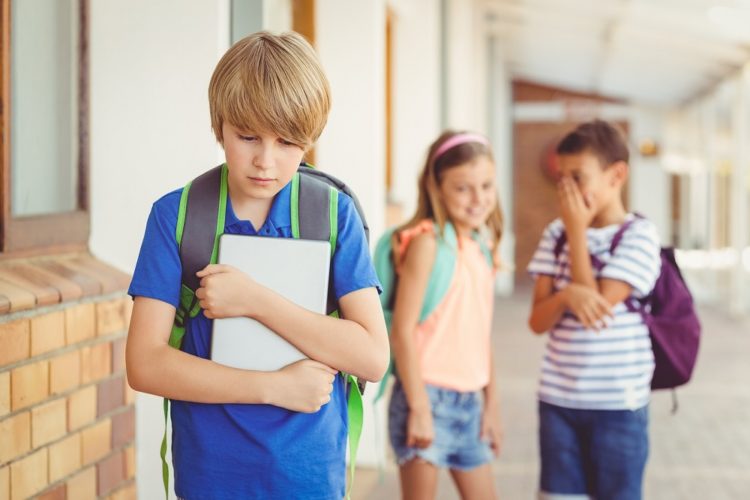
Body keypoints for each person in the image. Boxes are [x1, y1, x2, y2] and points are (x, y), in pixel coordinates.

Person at [125, 31, 389, 499]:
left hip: (309, 473)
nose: (266, 161)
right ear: (218, 125)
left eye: (288, 143)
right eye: (247, 137)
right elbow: (144, 365)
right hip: (211, 475)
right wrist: (272, 388)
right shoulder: (178, 217)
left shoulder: (332, 214)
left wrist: (255, 300)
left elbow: (371, 356)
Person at [527, 120, 662, 500]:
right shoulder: (555, 235)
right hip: (559, 402)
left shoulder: (639, 235)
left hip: (619, 405)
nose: (566, 188)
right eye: (561, 177)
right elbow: (537, 321)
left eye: (577, 176)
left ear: (616, 174)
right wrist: (567, 295)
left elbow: (596, 310)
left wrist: (576, 233)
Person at [386, 131, 504, 500]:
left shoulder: (482, 247)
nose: (478, 199)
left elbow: (481, 333)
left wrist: (492, 405)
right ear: (436, 188)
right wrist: (419, 409)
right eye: (463, 188)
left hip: (470, 402)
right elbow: (402, 332)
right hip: (426, 398)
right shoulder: (427, 245)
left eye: (486, 186)